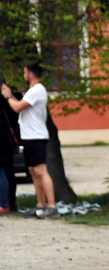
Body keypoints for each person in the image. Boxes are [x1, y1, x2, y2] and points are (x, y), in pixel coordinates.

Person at [1, 61, 57, 219]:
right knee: (33, 171)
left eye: (25, 72)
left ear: (31, 74)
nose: (24, 75)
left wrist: (8, 95)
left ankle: (52, 206)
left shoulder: (37, 90)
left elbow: (17, 107)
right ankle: (40, 205)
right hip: (29, 136)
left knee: (41, 171)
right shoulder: (32, 91)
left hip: (37, 137)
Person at [0, 74, 20, 213]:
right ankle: (10, 202)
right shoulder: (10, 98)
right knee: (8, 172)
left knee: (3, 173)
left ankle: (4, 203)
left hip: (2, 140)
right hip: (8, 140)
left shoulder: (4, 99)